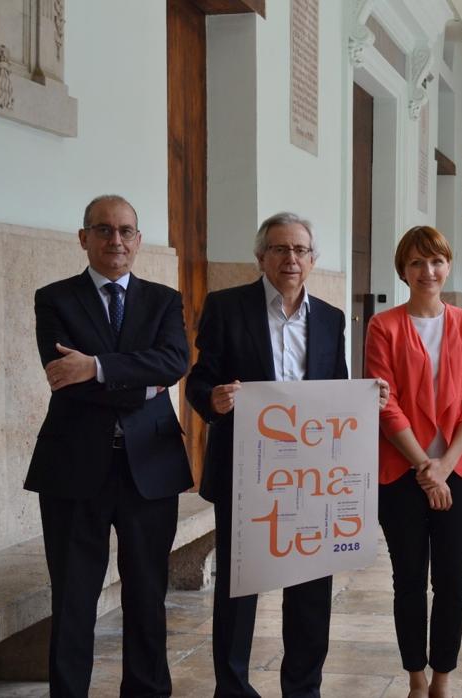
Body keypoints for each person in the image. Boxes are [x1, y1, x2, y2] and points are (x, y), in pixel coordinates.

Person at [186, 211, 387, 697]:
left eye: (300, 250)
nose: (290, 258)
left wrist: (367, 399)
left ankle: (302, 687)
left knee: (311, 590)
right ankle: (231, 688)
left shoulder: (331, 317)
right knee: (239, 587)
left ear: (313, 260)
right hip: (246, 471)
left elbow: (335, 388)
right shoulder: (226, 306)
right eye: (279, 249)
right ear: (261, 258)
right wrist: (211, 399)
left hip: (311, 476)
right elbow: (199, 377)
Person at [28, 194, 193, 696]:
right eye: (103, 230)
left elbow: (173, 364)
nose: (114, 240)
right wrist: (139, 380)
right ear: (84, 238)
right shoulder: (53, 298)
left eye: (125, 231)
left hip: (151, 465)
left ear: (138, 240)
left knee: (147, 593)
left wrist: (97, 365)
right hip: (74, 467)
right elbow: (63, 377)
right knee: (74, 597)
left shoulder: (164, 300)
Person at [365, 226, 462, 698]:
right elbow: (385, 402)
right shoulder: (385, 326)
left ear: (448, 265)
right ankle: (416, 676)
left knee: (453, 579)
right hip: (400, 471)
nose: (428, 271)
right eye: (417, 263)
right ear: (403, 270)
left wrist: (445, 465)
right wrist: (425, 467)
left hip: (460, 469)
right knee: (409, 579)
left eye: (436, 261)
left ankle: (443, 676)